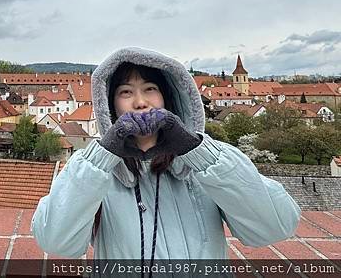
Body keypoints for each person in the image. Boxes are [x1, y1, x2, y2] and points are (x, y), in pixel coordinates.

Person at [32, 47, 300, 265]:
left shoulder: (207, 165)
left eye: (150, 89)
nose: (140, 102)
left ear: (169, 98)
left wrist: (196, 150)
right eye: (126, 92)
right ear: (109, 106)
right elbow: (56, 241)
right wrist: (104, 154)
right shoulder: (94, 173)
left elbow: (274, 226)